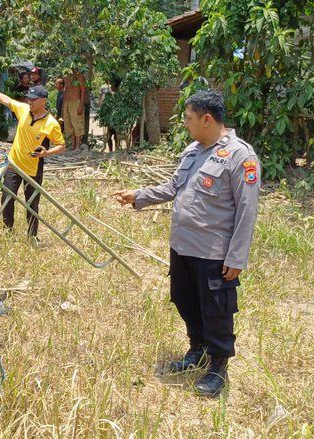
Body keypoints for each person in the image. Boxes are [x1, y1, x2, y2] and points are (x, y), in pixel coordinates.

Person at [112, 89, 261, 398]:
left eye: (189, 118)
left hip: (213, 253)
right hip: (182, 246)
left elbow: (247, 210)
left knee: (216, 311)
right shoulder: (193, 150)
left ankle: (218, 366)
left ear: (207, 119)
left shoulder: (240, 156)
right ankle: (197, 348)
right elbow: (173, 186)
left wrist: (237, 257)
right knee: (185, 300)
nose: (185, 124)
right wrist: (139, 196)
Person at [0, 77, 65, 238]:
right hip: (13, 165)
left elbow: (61, 145)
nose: (30, 102)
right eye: (28, 99)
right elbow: (6, 100)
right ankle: (7, 230)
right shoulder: (23, 110)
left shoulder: (51, 123)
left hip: (33, 169)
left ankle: (32, 236)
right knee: (7, 199)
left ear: (43, 101)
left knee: (32, 204)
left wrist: (46, 153)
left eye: (34, 100)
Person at [62, 70, 86, 151]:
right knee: (68, 123)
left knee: (77, 123)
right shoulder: (66, 77)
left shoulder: (79, 77)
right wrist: (63, 105)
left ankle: (77, 146)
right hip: (66, 102)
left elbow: (83, 92)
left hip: (76, 102)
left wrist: (81, 105)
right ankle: (73, 145)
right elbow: (65, 91)